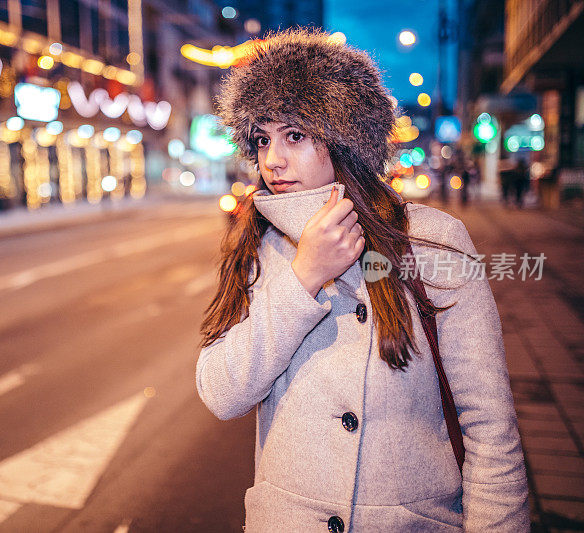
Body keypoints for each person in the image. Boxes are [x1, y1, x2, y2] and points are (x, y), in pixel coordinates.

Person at [195, 28, 528, 532]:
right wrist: (304, 275)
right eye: (262, 138)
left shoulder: (432, 241)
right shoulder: (258, 246)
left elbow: (490, 428)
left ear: (347, 138)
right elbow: (222, 392)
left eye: (296, 135)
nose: (272, 160)